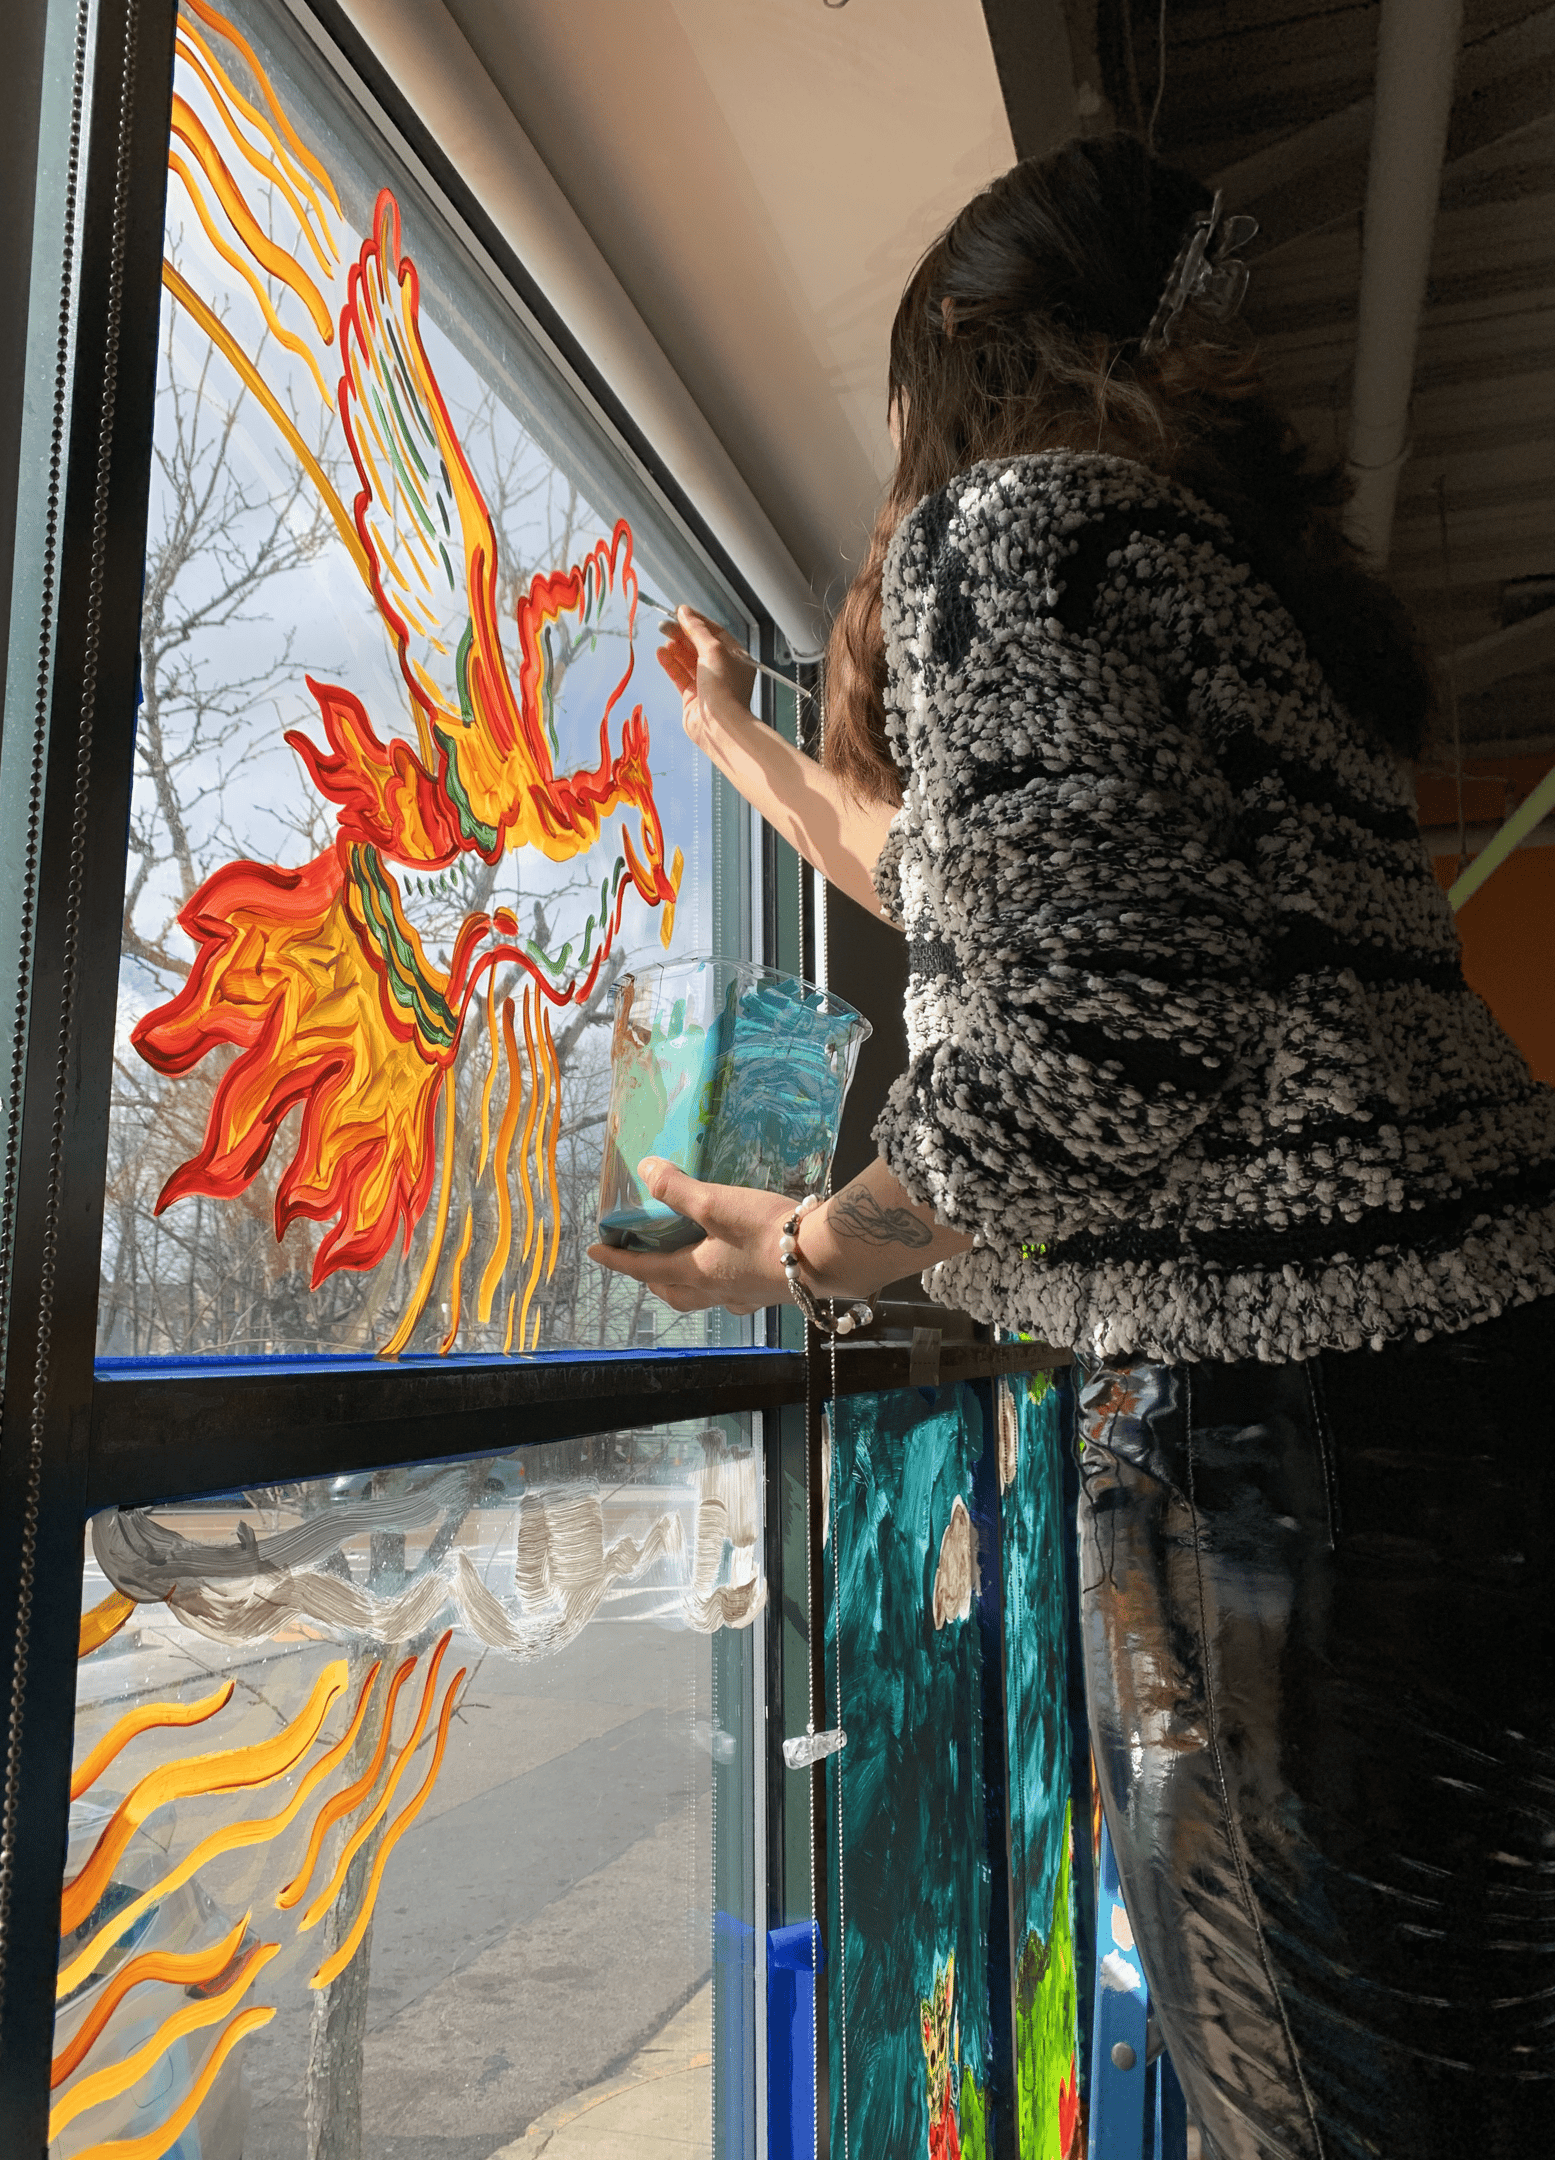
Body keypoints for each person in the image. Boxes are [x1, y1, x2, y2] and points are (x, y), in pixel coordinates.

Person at [588, 133, 1555, 2158]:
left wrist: (804, 1252)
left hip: (1306, 1452)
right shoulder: (1198, 579)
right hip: (1458, 1399)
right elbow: (988, 891)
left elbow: (1093, 1042)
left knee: (1345, 2107)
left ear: (958, 351)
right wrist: (742, 743)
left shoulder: (1009, 534)